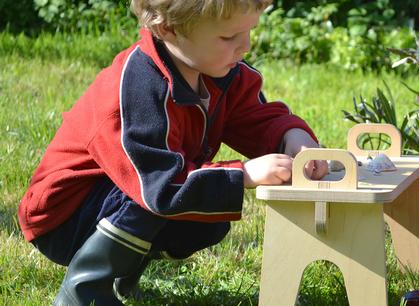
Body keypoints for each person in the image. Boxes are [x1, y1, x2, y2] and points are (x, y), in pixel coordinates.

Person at [18, 0, 328, 304]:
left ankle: (123, 276)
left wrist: (293, 137)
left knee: (209, 216)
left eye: (249, 31)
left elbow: (256, 117)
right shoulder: (139, 86)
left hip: (129, 193)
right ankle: (83, 290)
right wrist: (243, 174)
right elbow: (159, 184)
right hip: (65, 217)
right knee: (174, 193)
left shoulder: (219, 68)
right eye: (228, 37)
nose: (244, 45)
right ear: (169, 28)